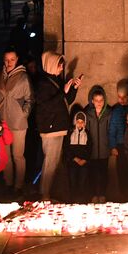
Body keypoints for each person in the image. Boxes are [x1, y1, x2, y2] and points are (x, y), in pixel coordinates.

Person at [32, 52, 81, 199]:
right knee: (50, 162)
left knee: (56, 162)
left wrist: (74, 88)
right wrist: (63, 92)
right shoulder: (43, 83)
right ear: (51, 64)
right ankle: (44, 194)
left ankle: (56, 193)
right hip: (51, 129)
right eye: (59, 64)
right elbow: (47, 106)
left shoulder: (55, 80)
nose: (61, 67)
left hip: (59, 127)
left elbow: (65, 101)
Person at [0, 48, 31, 192]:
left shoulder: (23, 77)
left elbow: (30, 99)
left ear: (17, 60)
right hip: (2, 121)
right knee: (5, 155)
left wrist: (23, 114)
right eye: (6, 60)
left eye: (12, 59)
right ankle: (8, 183)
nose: (9, 63)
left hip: (18, 123)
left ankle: (19, 185)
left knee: (18, 155)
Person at [85, 85, 114, 202]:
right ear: (92, 101)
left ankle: (102, 194)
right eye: (96, 100)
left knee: (103, 173)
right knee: (92, 173)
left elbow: (110, 130)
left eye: (101, 100)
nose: (99, 103)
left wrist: (111, 146)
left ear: (104, 100)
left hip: (104, 149)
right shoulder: (88, 113)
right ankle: (93, 195)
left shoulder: (108, 113)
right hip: (92, 150)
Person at [107, 81, 128, 201]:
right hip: (120, 145)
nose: (121, 99)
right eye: (119, 96)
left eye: (124, 96)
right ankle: (123, 197)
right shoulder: (116, 111)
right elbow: (112, 130)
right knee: (121, 172)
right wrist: (113, 146)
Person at [64, 109, 93, 202]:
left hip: (84, 163)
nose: (80, 124)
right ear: (75, 122)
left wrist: (84, 159)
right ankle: (72, 201)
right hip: (72, 163)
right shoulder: (70, 133)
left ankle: (82, 201)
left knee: (83, 182)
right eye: (78, 122)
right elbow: (66, 148)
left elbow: (89, 148)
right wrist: (74, 158)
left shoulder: (87, 134)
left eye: (82, 122)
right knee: (73, 182)